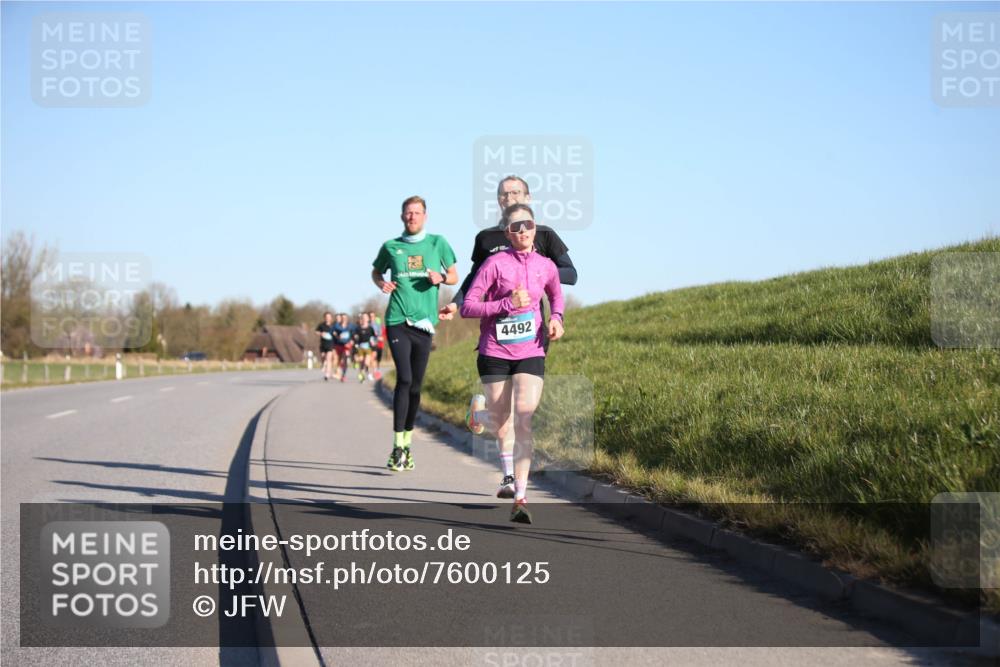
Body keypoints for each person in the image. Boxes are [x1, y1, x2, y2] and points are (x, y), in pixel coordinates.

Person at [440, 175, 578, 498]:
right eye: (504, 194)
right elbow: (474, 280)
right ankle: (500, 457)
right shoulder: (487, 239)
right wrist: (457, 303)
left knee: (523, 411)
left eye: (515, 192)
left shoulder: (543, 235)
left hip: (531, 337)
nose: (509, 197)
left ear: (528, 197)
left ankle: (518, 488)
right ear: (499, 202)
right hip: (495, 339)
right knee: (504, 415)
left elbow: (570, 274)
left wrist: (538, 273)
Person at [460, 203, 565, 524]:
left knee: (524, 416)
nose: (523, 231)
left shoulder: (546, 265)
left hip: (531, 350)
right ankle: (479, 414)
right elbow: (468, 306)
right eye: (516, 227)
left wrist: (557, 318)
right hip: (494, 350)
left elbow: (556, 296)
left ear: (535, 228)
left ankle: (520, 495)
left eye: (528, 225)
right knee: (501, 419)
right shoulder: (494, 264)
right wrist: (505, 303)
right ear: (507, 233)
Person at [372, 195, 457, 471]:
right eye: (408, 212)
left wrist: (441, 278)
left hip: (425, 323)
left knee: (416, 386)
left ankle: (407, 445)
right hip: (397, 319)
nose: (412, 216)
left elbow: (454, 275)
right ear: (402, 216)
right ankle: (397, 446)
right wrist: (381, 283)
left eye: (417, 212)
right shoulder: (391, 246)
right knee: (405, 379)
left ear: (425, 216)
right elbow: (376, 272)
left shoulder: (437, 243)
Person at [352, 312, 378, 382]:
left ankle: (366, 374)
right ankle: (361, 374)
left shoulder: (370, 328)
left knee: (366, 362)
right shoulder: (358, 328)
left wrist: (374, 343)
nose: (364, 319)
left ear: (368, 319)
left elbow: (374, 337)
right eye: (362, 317)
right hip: (360, 347)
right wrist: (355, 340)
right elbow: (354, 337)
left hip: (368, 348)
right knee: (361, 362)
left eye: (365, 317)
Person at [314, 311, 337, 381]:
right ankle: (323, 364)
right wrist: (321, 333)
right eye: (326, 317)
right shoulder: (321, 325)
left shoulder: (333, 325)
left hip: (331, 344)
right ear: (324, 318)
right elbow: (316, 331)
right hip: (323, 344)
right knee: (323, 356)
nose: (327, 318)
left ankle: (327, 374)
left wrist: (335, 334)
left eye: (329, 317)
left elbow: (337, 333)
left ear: (331, 318)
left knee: (328, 358)